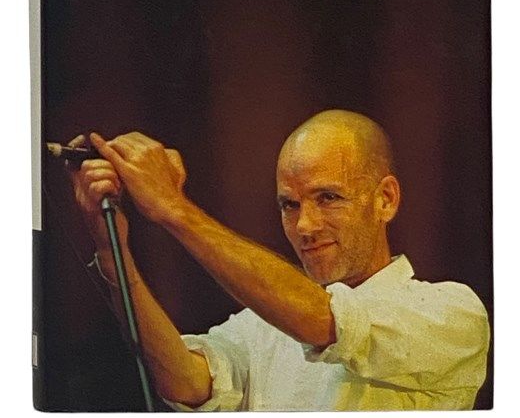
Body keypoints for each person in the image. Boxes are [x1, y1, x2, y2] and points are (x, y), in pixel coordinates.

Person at [69, 110, 490, 411]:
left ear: (386, 199)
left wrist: (174, 209)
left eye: (328, 197)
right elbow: (184, 381)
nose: (305, 225)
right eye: (290, 205)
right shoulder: (262, 325)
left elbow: (327, 322)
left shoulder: (453, 313)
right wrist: (113, 253)